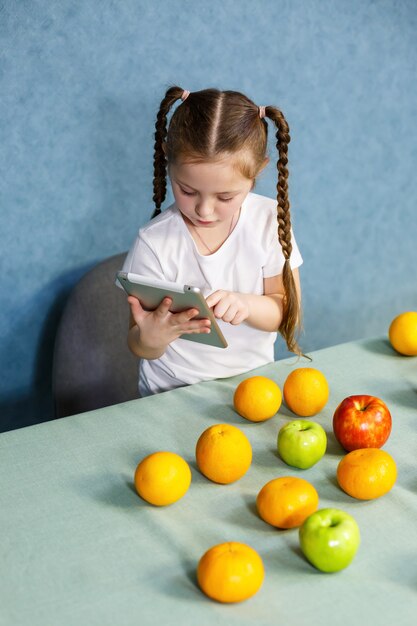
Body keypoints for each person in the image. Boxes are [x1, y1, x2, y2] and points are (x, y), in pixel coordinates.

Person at [121, 86, 303, 397]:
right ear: (168, 161)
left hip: (252, 391)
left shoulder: (268, 222)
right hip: (172, 393)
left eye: (225, 196)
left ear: (258, 171)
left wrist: (246, 304)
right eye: (187, 191)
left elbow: (287, 313)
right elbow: (140, 345)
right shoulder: (154, 242)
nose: (204, 210)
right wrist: (152, 337)